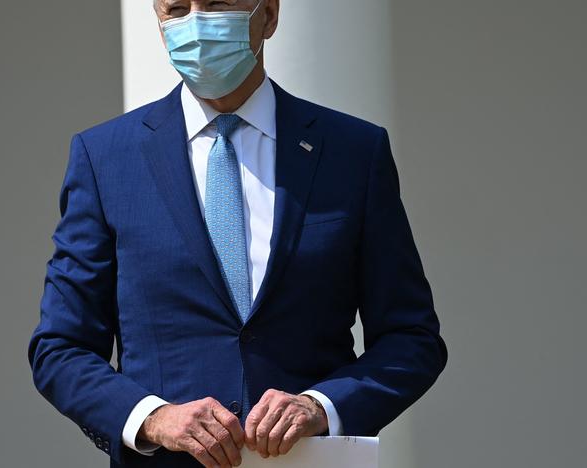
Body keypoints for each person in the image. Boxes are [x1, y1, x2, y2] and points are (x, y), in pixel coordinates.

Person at [27, 1, 448, 467]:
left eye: (217, 3)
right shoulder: (105, 157)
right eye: (176, 8)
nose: (195, 22)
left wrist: (322, 406)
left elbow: (412, 338)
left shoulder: (353, 152)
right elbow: (60, 348)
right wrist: (154, 418)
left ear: (268, 15)